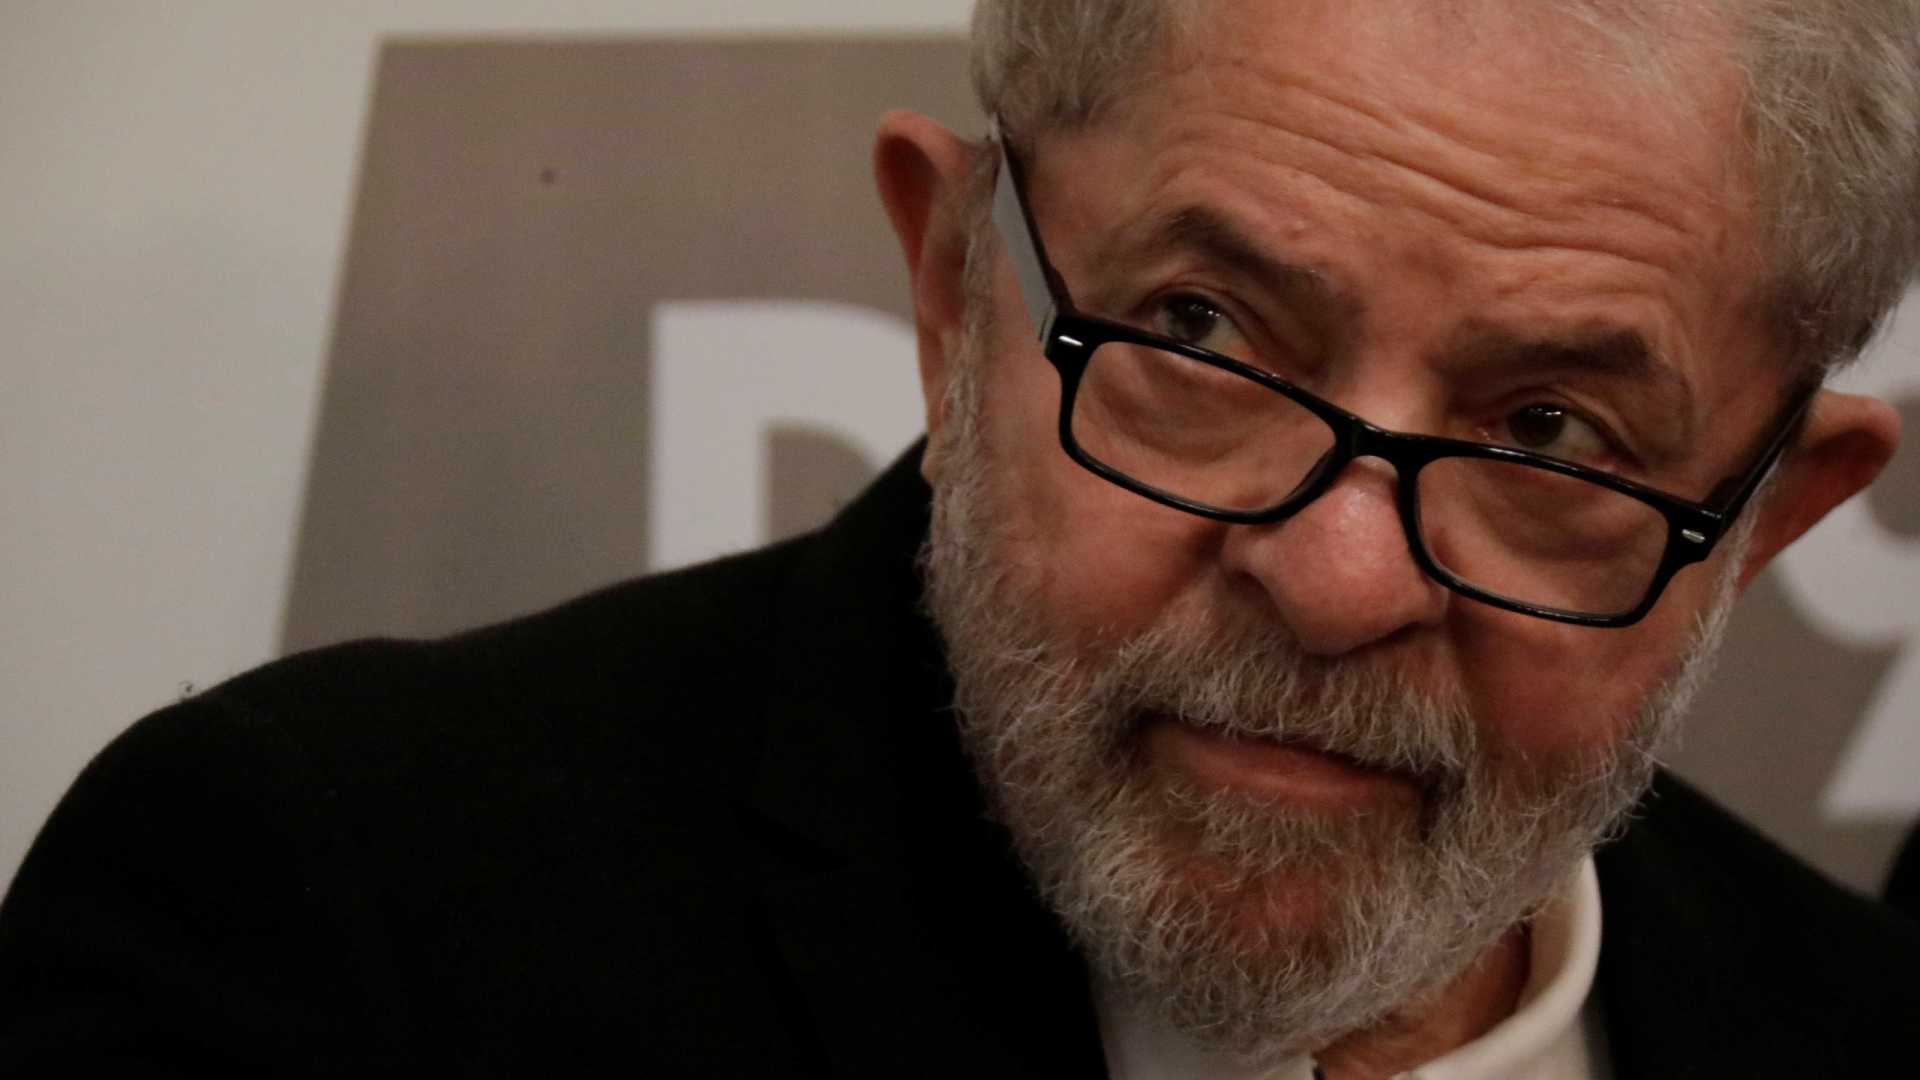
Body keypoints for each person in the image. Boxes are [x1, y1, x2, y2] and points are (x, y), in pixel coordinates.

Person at [4, 1, 1920, 1076]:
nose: (1342, 578)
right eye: (1202, 335)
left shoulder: (1868, 1035)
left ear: (1768, 517)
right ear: (952, 296)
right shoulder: (330, 937)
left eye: (1551, 434)